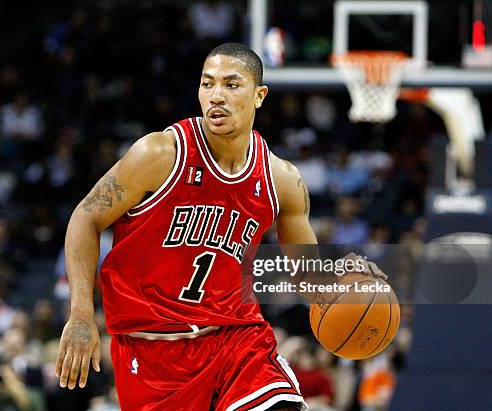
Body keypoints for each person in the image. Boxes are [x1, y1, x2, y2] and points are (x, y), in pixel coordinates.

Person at [56, 43, 384, 411]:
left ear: (259, 96)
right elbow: (86, 217)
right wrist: (82, 313)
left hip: (237, 341)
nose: (216, 96)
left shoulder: (281, 181)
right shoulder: (159, 154)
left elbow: (308, 280)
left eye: (231, 85)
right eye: (207, 84)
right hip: (151, 352)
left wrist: (352, 286)